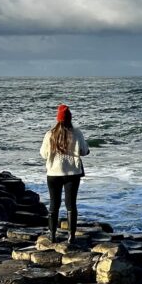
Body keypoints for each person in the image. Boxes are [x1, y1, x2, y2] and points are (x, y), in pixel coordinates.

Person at [40, 103, 90, 246]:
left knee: (54, 204)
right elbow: (84, 151)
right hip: (72, 174)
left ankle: (52, 235)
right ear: (70, 118)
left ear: (58, 119)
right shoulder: (77, 132)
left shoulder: (50, 134)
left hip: (53, 174)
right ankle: (71, 236)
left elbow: (43, 154)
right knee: (71, 204)